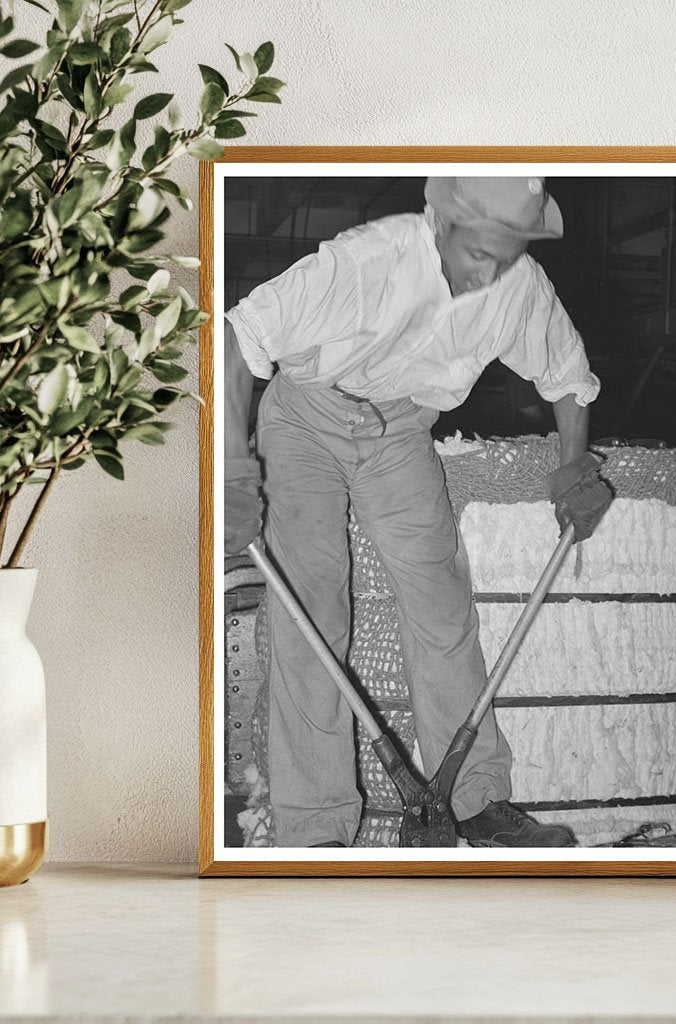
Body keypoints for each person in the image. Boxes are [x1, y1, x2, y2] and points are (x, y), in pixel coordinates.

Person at [224, 176, 603, 848]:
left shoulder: (517, 285)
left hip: (400, 429)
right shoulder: (367, 261)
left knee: (441, 602)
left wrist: (574, 468)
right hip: (307, 416)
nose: (488, 275)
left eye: (507, 256)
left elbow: (568, 375)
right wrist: (233, 469)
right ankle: (316, 824)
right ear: (439, 222)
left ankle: (476, 798)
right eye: (477, 253)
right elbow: (238, 337)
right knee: (310, 607)